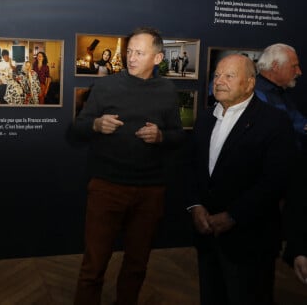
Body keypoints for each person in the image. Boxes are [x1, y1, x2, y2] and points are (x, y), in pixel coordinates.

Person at [73, 26, 184, 305]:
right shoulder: (106, 85)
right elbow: (79, 128)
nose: (131, 58)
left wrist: (161, 136)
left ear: (157, 59)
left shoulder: (167, 90)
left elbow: (178, 135)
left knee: (137, 265)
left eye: (139, 53)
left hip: (150, 191)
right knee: (94, 266)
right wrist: (97, 124)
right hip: (107, 187)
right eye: (129, 51)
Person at [186, 54, 297, 305]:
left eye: (229, 76)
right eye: (217, 75)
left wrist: (233, 215)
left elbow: (275, 180)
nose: (219, 81)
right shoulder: (205, 117)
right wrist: (195, 206)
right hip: (207, 237)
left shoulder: (274, 122)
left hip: (250, 242)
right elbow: (191, 167)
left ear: (249, 84)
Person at [255, 43, 306, 151]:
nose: (299, 72)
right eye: (294, 66)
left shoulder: (281, 92)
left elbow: (299, 122)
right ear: (275, 66)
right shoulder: (255, 94)